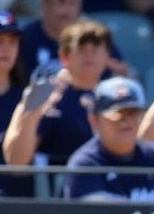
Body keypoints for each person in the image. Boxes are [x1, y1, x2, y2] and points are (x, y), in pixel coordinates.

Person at [4, 20, 111, 171]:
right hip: (57, 182)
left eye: (95, 49)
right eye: (81, 49)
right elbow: (17, 162)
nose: (89, 56)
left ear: (107, 56)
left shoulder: (116, 98)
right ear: (64, 57)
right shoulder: (47, 98)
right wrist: (31, 114)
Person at [62, 76, 154, 201]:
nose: (127, 122)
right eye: (118, 115)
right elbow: (89, 211)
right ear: (94, 120)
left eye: (133, 114)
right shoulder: (86, 163)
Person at [19, 0, 126, 80]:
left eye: (72, 3)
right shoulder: (26, 39)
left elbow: (118, 72)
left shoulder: (96, 38)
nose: (66, 10)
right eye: (60, 2)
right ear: (44, 5)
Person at [0, 11, 34, 199]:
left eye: (12, 42)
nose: (6, 48)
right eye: (0, 41)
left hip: (21, 204)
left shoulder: (28, 98)